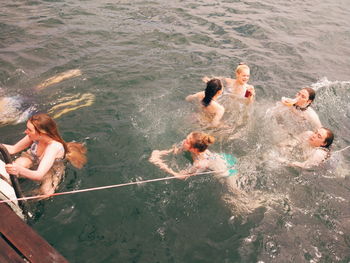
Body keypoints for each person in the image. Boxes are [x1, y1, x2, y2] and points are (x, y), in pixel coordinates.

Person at [3, 113, 87, 196]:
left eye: (29, 129)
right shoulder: (33, 136)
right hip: (32, 158)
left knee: (46, 193)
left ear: (42, 133)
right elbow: (13, 149)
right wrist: (18, 168)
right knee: (20, 163)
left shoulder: (54, 147)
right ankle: (6, 184)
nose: (26, 131)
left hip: (50, 169)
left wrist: (18, 169)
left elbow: (39, 175)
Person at [149, 131, 237, 179]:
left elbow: (181, 176)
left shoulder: (198, 164)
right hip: (223, 157)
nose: (184, 141)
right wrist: (160, 153)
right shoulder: (190, 145)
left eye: (187, 141)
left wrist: (159, 164)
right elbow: (176, 150)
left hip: (226, 171)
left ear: (195, 149)